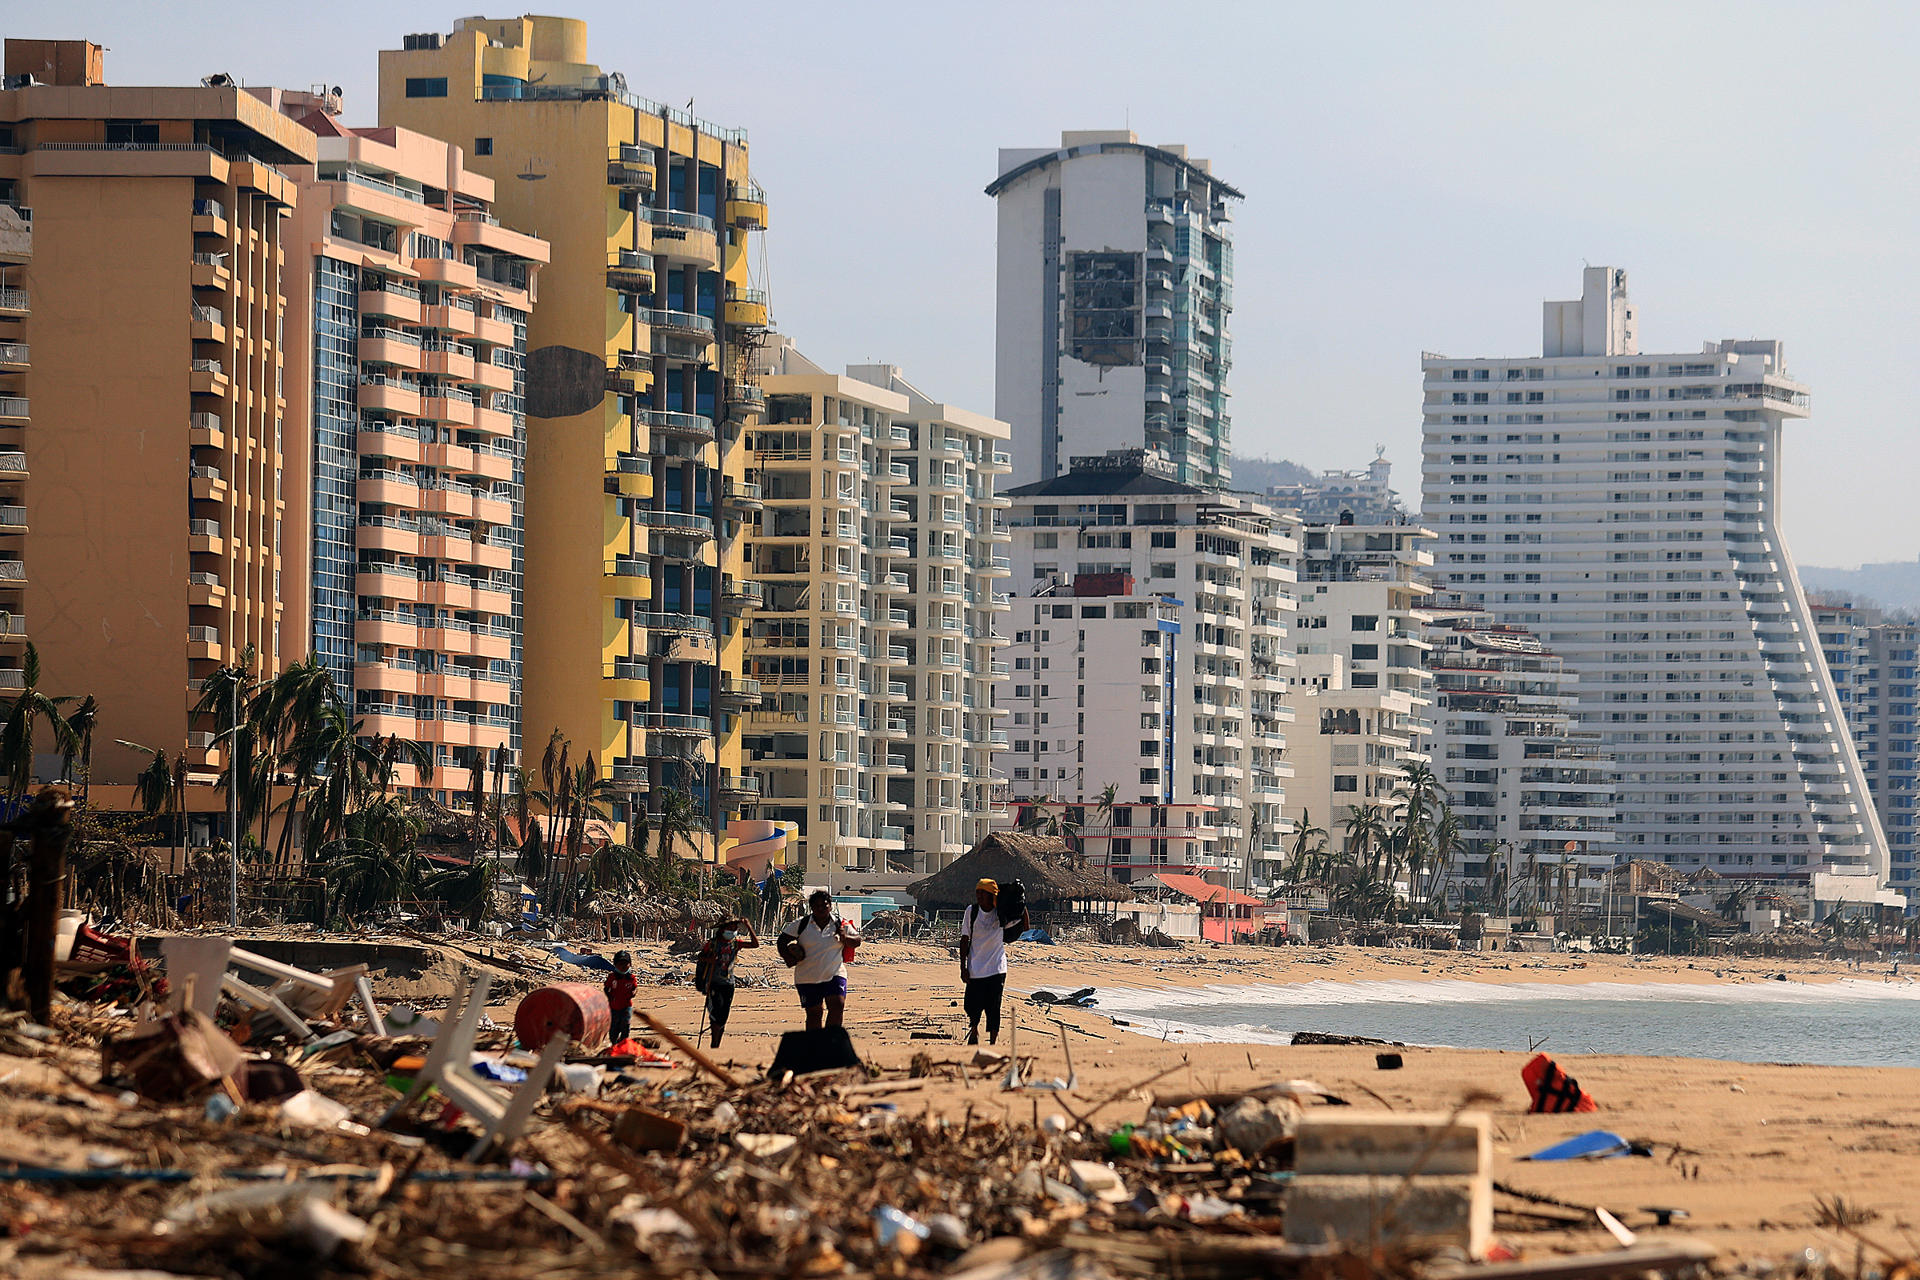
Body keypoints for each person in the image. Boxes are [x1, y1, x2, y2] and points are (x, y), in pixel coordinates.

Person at [777, 889, 858, 1030]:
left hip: (834, 973)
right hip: (807, 976)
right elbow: (781, 941)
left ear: (830, 906)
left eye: (824, 905)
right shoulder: (801, 924)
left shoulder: (840, 923)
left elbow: (857, 940)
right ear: (812, 907)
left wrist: (845, 938)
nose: (821, 908)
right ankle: (815, 1042)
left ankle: (831, 1039)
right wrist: (789, 958)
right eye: (817, 905)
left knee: (837, 1005)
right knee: (814, 1013)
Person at [960, 878, 1028, 1045]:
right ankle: (974, 1030)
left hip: (997, 968)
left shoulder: (1001, 913)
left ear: (992, 895)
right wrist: (963, 967)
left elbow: (1025, 926)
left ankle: (993, 1042)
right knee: (971, 1005)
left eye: (983, 893)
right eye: (977, 892)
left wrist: (1021, 903)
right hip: (975, 968)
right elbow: (964, 939)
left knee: (994, 1007)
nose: (979, 896)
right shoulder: (972, 911)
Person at [696, 914, 759, 1048]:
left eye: (735, 928)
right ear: (723, 929)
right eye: (731, 927)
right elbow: (700, 957)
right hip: (714, 983)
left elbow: (755, 944)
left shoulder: (735, 943)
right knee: (715, 1013)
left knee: (724, 1015)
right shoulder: (712, 944)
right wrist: (710, 959)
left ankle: (717, 1042)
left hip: (729, 984)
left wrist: (748, 926)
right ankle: (714, 1042)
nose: (734, 930)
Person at [603, 950, 637, 1047]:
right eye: (620, 964)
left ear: (630, 965)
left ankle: (623, 1043)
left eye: (625, 964)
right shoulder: (612, 977)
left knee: (625, 1025)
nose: (623, 966)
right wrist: (610, 997)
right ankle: (614, 1043)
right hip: (614, 1007)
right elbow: (606, 988)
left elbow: (635, 988)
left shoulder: (631, 978)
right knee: (614, 1027)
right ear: (615, 965)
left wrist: (633, 993)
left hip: (626, 1006)